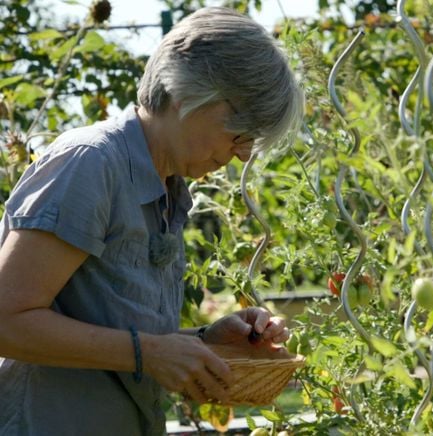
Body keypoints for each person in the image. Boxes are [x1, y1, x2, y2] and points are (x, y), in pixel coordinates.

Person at [0, 7, 304, 435]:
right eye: (239, 131)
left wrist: (202, 342)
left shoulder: (165, 190)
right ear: (187, 92)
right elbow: (6, 320)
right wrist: (150, 351)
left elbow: (107, 333)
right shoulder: (92, 164)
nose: (243, 153)